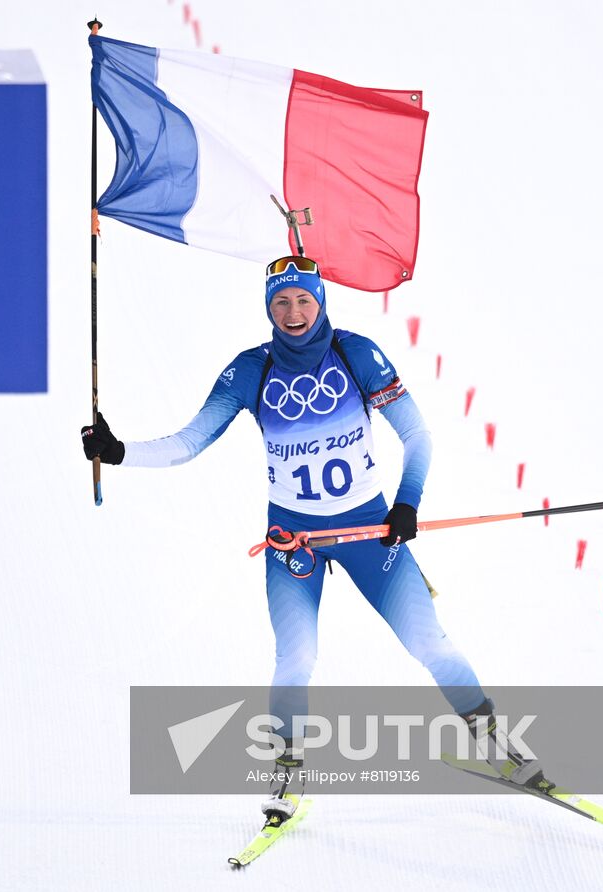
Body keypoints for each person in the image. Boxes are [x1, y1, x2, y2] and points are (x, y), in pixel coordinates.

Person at [81, 255, 546, 823]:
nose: (293, 312)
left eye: (303, 300)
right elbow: (189, 442)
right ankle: (288, 772)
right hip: (293, 544)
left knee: (432, 644)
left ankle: (493, 740)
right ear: (267, 308)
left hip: (371, 533)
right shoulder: (251, 370)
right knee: (295, 660)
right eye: (281, 302)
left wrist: (407, 503)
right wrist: (119, 450)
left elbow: (417, 434)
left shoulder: (357, 354)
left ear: (321, 300)